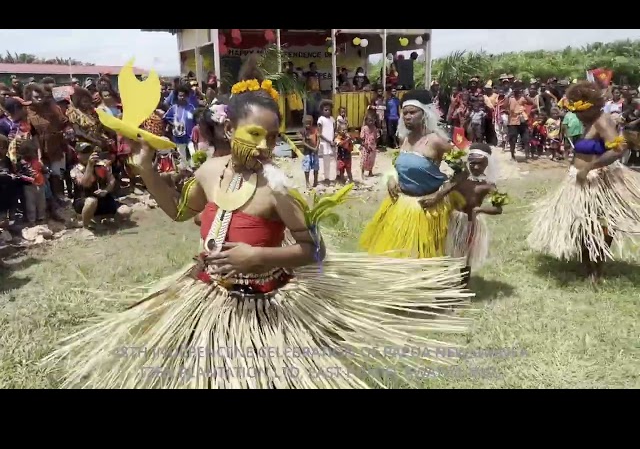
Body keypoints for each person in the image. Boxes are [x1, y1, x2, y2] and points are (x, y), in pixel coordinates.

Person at [44, 62, 472, 389]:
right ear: (228, 128)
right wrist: (146, 170)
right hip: (209, 293)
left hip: (265, 302)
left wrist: (259, 255)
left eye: (274, 136)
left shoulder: (279, 187)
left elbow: (314, 251)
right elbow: (178, 212)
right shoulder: (209, 171)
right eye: (256, 135)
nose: (267, 146)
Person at [527, 81, 640, 282]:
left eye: (577, 109)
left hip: (597, 180)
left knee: (601, 224)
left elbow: (618, 150)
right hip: (579, 178)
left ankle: (596, 268)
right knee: (582, 223)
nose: (575, 114)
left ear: (590, 106)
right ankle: (588, 264)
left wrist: (589, 168)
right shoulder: (588, 122)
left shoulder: (602, 121)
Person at [360, 90, 464, 258]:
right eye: (404, 113)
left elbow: (462, 172)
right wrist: (392, 178)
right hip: (402, 205)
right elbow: (401, 164)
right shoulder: (404, 139)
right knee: (397, 256)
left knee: (423, 257)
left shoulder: (437, 141)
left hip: (427, 208)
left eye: (412, 112)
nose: (407, 116)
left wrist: (439, 195)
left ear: (424, 114)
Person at [445, 143, 508, 285]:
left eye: (480, 164)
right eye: (472, 163)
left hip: (471, 223)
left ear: (487, 164)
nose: (476, 167)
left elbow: (498, 209)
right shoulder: (460, 177)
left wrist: (480, 210)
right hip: (453, 219)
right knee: (448, 250)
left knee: (466, 255)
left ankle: (463, 284)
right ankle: (444, 280)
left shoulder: (489, 185)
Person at [70, 142, 131, 229]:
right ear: (78, 155)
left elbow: (112, 180)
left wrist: (105, 190)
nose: (87, 155)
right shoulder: (75, 170)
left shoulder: (102, 165)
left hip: (103, 198)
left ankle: (105, 221)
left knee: (126, 211)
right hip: (85, 200)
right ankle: (85, 226)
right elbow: (85, 184)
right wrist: (90, 165)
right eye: (84, 152)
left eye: (89, 152)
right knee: (91, 201)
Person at [17, 140, 47, 226]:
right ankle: (32, 220)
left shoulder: (36, 161)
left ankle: (41, 218)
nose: (33, 154)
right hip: (29, 187)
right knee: (30, 204)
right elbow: (19, 174)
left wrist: (45, 169)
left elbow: (44, 170)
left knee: (41, 203)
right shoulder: (22, 164)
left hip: (40, 184)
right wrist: (29, 179)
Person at [316, 100, 336, 183]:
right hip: (325, 143)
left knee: (335, 160)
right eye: (325, 110)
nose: (327, 111)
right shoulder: (321, 120)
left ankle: (337, 175)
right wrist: (329, 141)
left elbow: (333, 131)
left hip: (332, 143)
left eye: (329, 109)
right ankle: (326, 178)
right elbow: (319, 134)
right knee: (326, 161)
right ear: (322, 110)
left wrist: (334, 140)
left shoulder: (332, 119)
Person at [299, 115, 319, 188]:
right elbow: (303, 143)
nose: (308, 125)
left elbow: (318, 138)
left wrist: (316, 147)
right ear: (304, 123)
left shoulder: (315, 130)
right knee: (307, 167)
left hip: (315, 152)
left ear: (312, 123)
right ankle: (307, 182)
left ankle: (315, 181)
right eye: (306, 123)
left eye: (309, 123)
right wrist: (312, 148)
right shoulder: (304, 132)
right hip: (307, 152)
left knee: (316, 167)